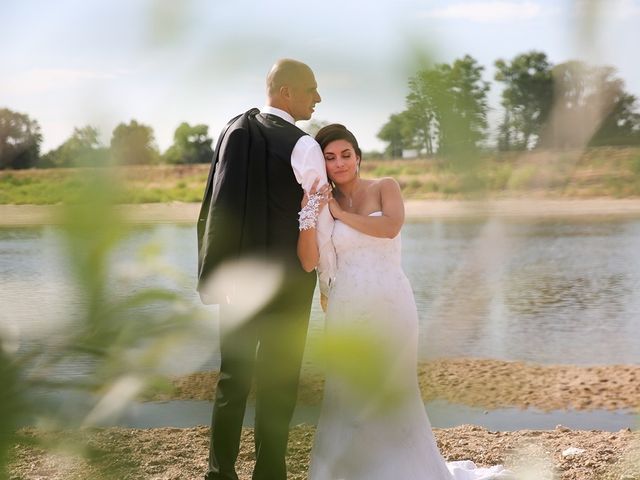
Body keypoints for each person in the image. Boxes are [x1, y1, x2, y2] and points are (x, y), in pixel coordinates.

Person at [298, 124, 510, 479]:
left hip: (391, 303)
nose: (339, 164)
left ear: (358, 156)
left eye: (346, 155)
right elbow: (308, 262)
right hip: (347, 307)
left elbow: (390, 227)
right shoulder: (321, 205)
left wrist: (340, 214)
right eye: (330, 158)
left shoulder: (385, 188)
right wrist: (309, 214)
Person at [197, 59, 334, 480]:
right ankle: (270, 473)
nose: (318, 97)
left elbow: (215, 208)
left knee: (232, 379)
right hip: (289, 282)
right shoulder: (304, 145)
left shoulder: (231, 133)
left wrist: (214, 274)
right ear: (287, 92)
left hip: (237, 282)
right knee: (278, 382)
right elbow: (318, 219)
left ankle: (219, 473)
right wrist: (329, 279)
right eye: (312, 89)